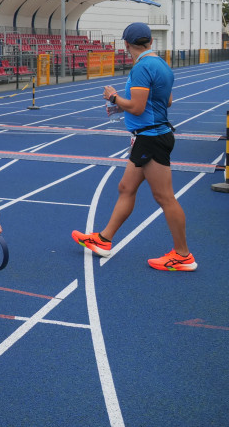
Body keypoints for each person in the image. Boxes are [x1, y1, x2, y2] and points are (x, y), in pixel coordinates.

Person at [72, 22, 195, 271]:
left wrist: (113, 97)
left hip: (151, 137)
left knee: (165, 197)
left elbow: (138, 107)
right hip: (149, 135)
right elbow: (166, 100)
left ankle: (183, 255)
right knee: (126, 187)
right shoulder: (161, 64)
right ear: (150, 41)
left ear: (126, 44)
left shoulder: (142, 67)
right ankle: (104, 240)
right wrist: (123, 105)